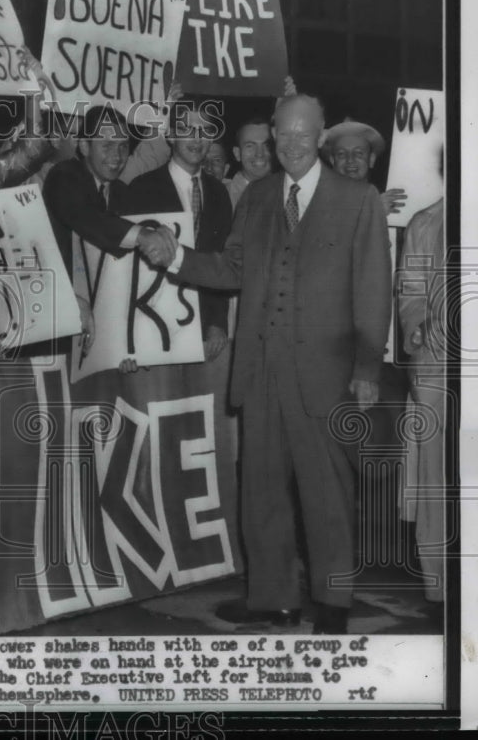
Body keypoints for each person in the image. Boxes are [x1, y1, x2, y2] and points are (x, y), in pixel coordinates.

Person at [140, 94, 391, 634]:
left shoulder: (360, 198)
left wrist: (367, 369)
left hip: (326, 377)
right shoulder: (255, 196)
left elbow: (373, 291)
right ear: (274, 136)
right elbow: (232, 269)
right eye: (284, 134)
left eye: (304, 134)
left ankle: (333, 604)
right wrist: (177, 257)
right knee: (261, 491)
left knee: (327, 494)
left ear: (321, 135)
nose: (293, 144)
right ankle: (273, 598)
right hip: (261, 372)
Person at [120, 110, 233, 368]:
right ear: (170, 135)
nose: (197, 139)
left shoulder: (219, 193)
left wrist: (217, 323)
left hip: (204, 334)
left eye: (204, 131)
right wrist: (125, 340)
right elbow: (124, 270)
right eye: (186, 130)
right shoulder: (141, 189)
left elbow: (222, 263)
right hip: (150, 329)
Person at [41, 105, 157, 355]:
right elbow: (88, 219)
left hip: (106, 334)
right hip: (58, 322)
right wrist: (143, 236)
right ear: (84, 147)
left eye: (123, 146)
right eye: (107, 145)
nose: (117, 155)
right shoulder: (63, 176)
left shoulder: (124, 194)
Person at [398, 195, 446, 615]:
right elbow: (411, 291)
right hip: (437, 360)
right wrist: (417, 332)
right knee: (435, 475)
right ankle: (441, 584)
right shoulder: (426, 222)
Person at [323, 119, 406, 215]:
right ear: (332, 161)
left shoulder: (386, 201)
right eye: (341, 154)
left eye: (358, 153)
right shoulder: (318, 201)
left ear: (371, 159)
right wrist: (372, 213)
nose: (350, 159)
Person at [227, 117, 273, 210]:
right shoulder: (222, 197)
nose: (259, 153)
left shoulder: (288, 194)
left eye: (266, 145)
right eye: (250, 146)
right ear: (237, 154)